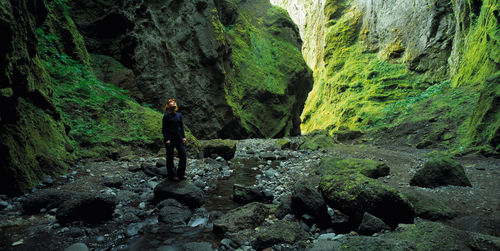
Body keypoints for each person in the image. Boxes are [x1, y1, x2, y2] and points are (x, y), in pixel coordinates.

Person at [162, 98, 187, 181]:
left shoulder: (179, 115)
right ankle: (172, 175)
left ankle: (180, 174)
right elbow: (164, 129)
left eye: (174, 106)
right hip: (170, 140)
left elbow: (181, 127)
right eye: (171, 106)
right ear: (168, 107)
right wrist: (167, 139)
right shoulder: (166, 116)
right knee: (170, 157)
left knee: (183, 155)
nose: (173, 108)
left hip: (179, 138)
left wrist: (183, 137)